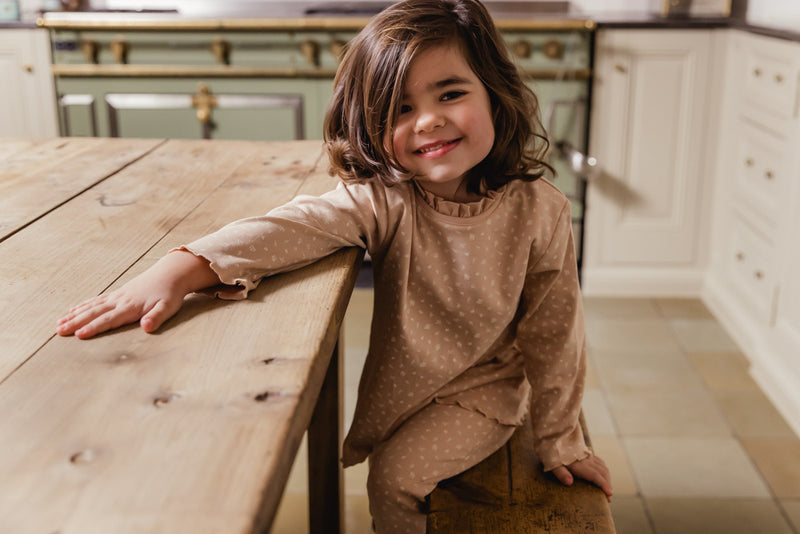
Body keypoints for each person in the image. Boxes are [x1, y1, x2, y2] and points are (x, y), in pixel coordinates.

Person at [57, 0, 612, 531]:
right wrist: (179, 270)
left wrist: (561, 438)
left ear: (494, 92)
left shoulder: (541, 211)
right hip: (409, 387)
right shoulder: (388, 199)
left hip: (486, 389)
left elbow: (555, 331)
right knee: (391, 468)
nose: (427, 121)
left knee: (393, 476)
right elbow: (293, 225)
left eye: (450, 93)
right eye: (401, 109)